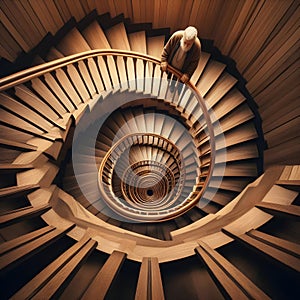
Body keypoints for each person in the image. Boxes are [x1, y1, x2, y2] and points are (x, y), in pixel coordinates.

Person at [160, 26, 201, 92]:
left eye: (189, 44)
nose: (186, 45)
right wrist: (164, 60)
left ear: (193, 41)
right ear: (183, 37)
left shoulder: (197, 47)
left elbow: (194, 63)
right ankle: (172, 87)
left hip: (182, 70)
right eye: (185, 42)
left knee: (181, 84)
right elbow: (166, 49)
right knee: (170, 78)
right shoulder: (176, 36)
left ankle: (179, 91)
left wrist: (187, 74)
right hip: (171, 66)